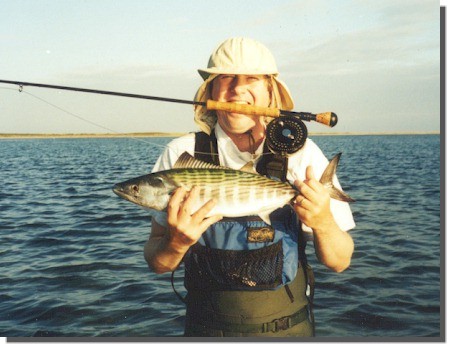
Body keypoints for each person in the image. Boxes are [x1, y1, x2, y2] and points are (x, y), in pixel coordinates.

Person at [144, 37, 355, 337]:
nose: (238, 89)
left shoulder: (303, 154)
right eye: (226, 78)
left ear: (270, 92)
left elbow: (340, 261)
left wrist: (322, 221)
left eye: (252, 79)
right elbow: (157, 263)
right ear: (211, 91)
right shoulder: (182, 155)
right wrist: (176, 243)